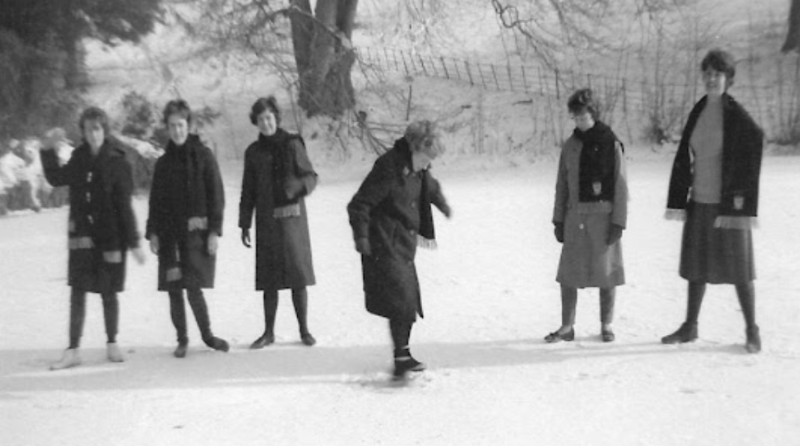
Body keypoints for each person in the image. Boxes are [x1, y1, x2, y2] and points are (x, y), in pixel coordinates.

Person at [661, 49, 764, 353]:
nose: (711, 79)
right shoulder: (699, 110)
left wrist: (737, 189)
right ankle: (690, 326)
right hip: (699, 202)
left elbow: (755, 139)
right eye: (706, 73)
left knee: (740, 270)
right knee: (696, 267)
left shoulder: (734, 113)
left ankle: (752, 329)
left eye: (717, 74)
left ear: (727, 79)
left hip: (727, 207)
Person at [41, 106, 146, 370]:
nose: (93, 134)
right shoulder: (78, 159)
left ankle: (112, 342)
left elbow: (124, 206)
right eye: (88, 129)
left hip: (111, 238)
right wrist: (47, 150)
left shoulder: (119, 161)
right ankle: (73, 349)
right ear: (84, 133)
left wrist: (133, 242)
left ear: (104, 129)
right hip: (83, 237)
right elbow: (55, 177)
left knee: (109, 292)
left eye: (97, 128)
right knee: (78, 292)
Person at [347, 120, 451, 379]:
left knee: (404, 302)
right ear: (416, 148)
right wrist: (361, 237)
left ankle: (402, 355)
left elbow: (430, 185)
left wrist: (441, 204)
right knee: (403, 300)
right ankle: (402, 357)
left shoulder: (417, 168)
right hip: (382, 242)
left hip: (403, 243)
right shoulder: (389, 167)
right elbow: (359, 204)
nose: (429, 164)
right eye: (427, 158)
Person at [146, 99, 229, 358]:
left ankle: (207, 336)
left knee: (193, 286)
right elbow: (155, 201)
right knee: (174, 289)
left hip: (196, 235)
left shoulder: (203, 156)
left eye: (181, 125)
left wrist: (214, 231)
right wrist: (153, 232)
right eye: (172, 126)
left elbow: (217, 195)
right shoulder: (162, 163)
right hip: (170, 237)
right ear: (167, 128)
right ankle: (182, 339)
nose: (177, 131)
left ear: (188, 125)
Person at [546, 88, 628, 344]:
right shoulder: (570, 146)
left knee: (606, 273)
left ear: (594, 113)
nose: (580, 121)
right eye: (576, 116)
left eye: (584, 115)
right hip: (574, 218)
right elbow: (562, 184)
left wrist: (619, 222)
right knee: (569, 273)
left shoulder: (611, 143)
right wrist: (558, 219)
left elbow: (621, 184)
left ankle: (606, 324)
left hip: (603, 218)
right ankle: (566, 326)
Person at [239, 96, 319, 348]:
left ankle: (304, 330)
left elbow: (311, 176)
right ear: (256, 122)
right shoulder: (253, 153)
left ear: (276, 118)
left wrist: (297, 186)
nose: (266, 123)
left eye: (269, 118)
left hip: (292, 220)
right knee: (269, 280)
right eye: (261, 119)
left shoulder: (292, 144)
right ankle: (268, 332)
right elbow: (247, 189)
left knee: (298, 276)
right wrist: (244, 223)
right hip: (267, 221)